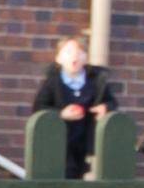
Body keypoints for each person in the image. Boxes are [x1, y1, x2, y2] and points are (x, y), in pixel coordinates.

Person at [32, 31, 117, 180]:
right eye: (69, 52)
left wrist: (105, 108)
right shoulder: (53, 82)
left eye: (80, 52)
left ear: (86, 57)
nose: (75, 56)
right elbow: (39, 107)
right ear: (58, 58)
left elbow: (111, 102)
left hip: (86, 137)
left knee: (83, 172)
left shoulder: (96, 81)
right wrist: (61, 113)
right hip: (60, 140)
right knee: (65, 171)